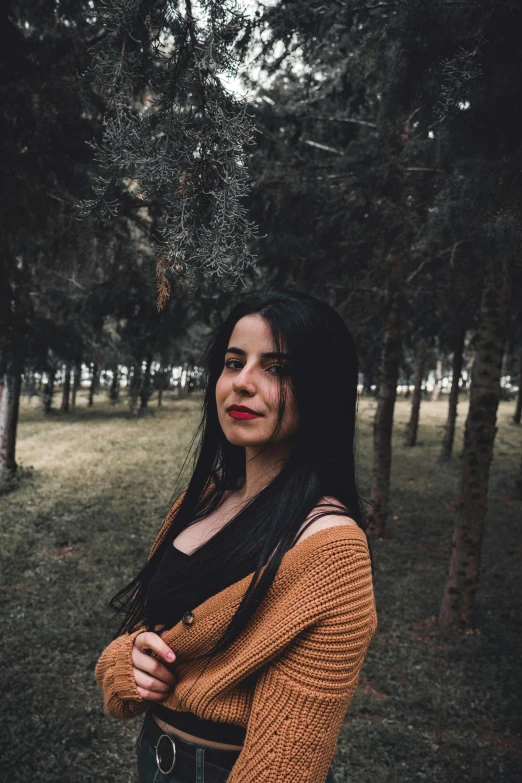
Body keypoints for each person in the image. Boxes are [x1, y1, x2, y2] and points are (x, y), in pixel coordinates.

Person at [95, 288, 377, 783]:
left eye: (278, 368)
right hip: (154, 758)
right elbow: (139, 631)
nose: (242, 383)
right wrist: (130, 663)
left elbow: (283, 766)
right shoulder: (200, 498)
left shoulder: (332, 551)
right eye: (233, 361)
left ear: (323, 388)